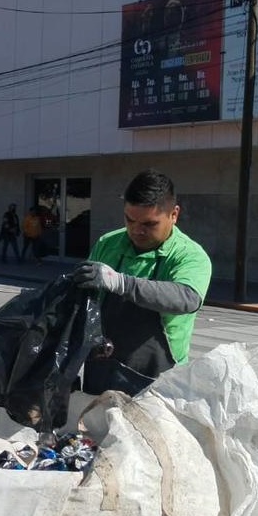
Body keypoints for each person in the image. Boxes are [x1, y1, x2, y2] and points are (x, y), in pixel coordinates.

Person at [71, 169, 212, 396]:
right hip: (101, 366)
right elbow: (84, 302)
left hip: (156, 377)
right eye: (130, 219)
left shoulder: (189, 256)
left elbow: (187, 297)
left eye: (149, 223)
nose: (137, 230)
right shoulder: (109, 243)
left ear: (174, 214)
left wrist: (120, 283)